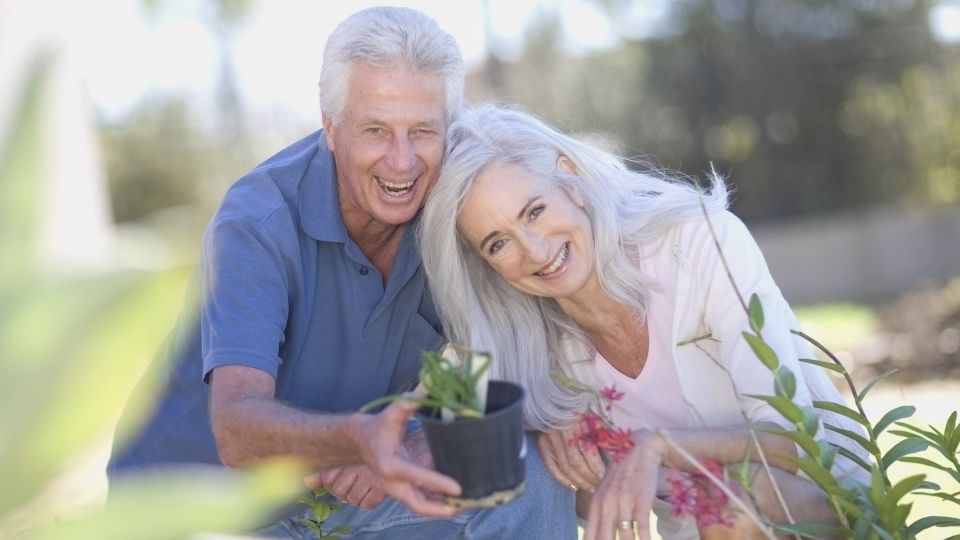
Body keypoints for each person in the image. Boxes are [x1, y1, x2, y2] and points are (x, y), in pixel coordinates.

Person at [107, 8, 576, 539]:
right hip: (197, 509)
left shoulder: (454, 208)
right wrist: (357, 439)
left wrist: (417, 440)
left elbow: (510, 339)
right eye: (375, 130)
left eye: (422, 131)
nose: (401, 163)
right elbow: (236, 427)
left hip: (343, 491)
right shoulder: (258, 221)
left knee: (524, 473)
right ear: (331, 129)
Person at [418, 103, 871, 540]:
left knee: (728, 508)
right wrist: (561, 455)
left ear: (570, 181)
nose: (534, 251)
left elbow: (791, 443)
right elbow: (589, 507)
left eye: (535, 211)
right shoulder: (537, 354)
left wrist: (655, 445)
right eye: (498, 243)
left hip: (828, 510)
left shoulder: (699, 245)